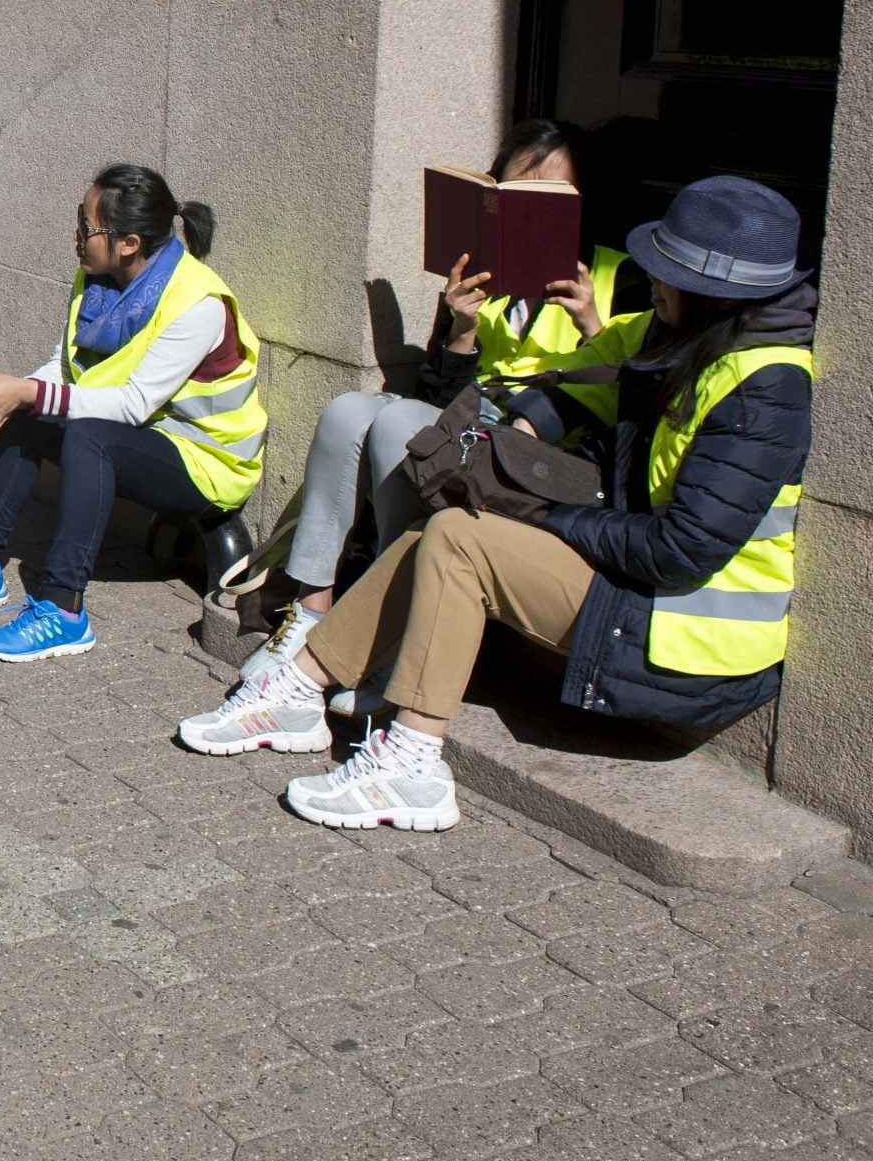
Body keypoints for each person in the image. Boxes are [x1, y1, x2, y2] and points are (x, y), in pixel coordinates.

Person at [176, 176, 814, 833]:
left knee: (459, 539)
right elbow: (574, 382)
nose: (650, 279)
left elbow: (683, 551)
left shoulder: (767, 389)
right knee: (442, 532)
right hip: (643, 589)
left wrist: (544, 516)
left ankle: (414, 763)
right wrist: (504, 441)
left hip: (692, 645)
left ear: (713, 292)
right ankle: (303, 690)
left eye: (666, 270)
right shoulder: (676, 334)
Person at [243, 120, 641, 686]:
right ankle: (311, 616)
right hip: (472, 423)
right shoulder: (481, 274)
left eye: (547, 199)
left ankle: (390, 629)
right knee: (348, 410)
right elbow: (438, 398)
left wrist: (589, 323)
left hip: (544, 449)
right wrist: (460, 328)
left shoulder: (617, 276)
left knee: (400, 422)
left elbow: (623, 400)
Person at [0, 163, 269, 664]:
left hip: (205, 463)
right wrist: (8, 398)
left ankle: (63, 609)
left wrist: (29, 392)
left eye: (86, 224)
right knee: (34, 414)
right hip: (142, 438)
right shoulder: (96, 278)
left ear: (128, 243)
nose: (75, 234)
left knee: (85, 435)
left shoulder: (197, 302)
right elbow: (64, 367)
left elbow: (133, 402)